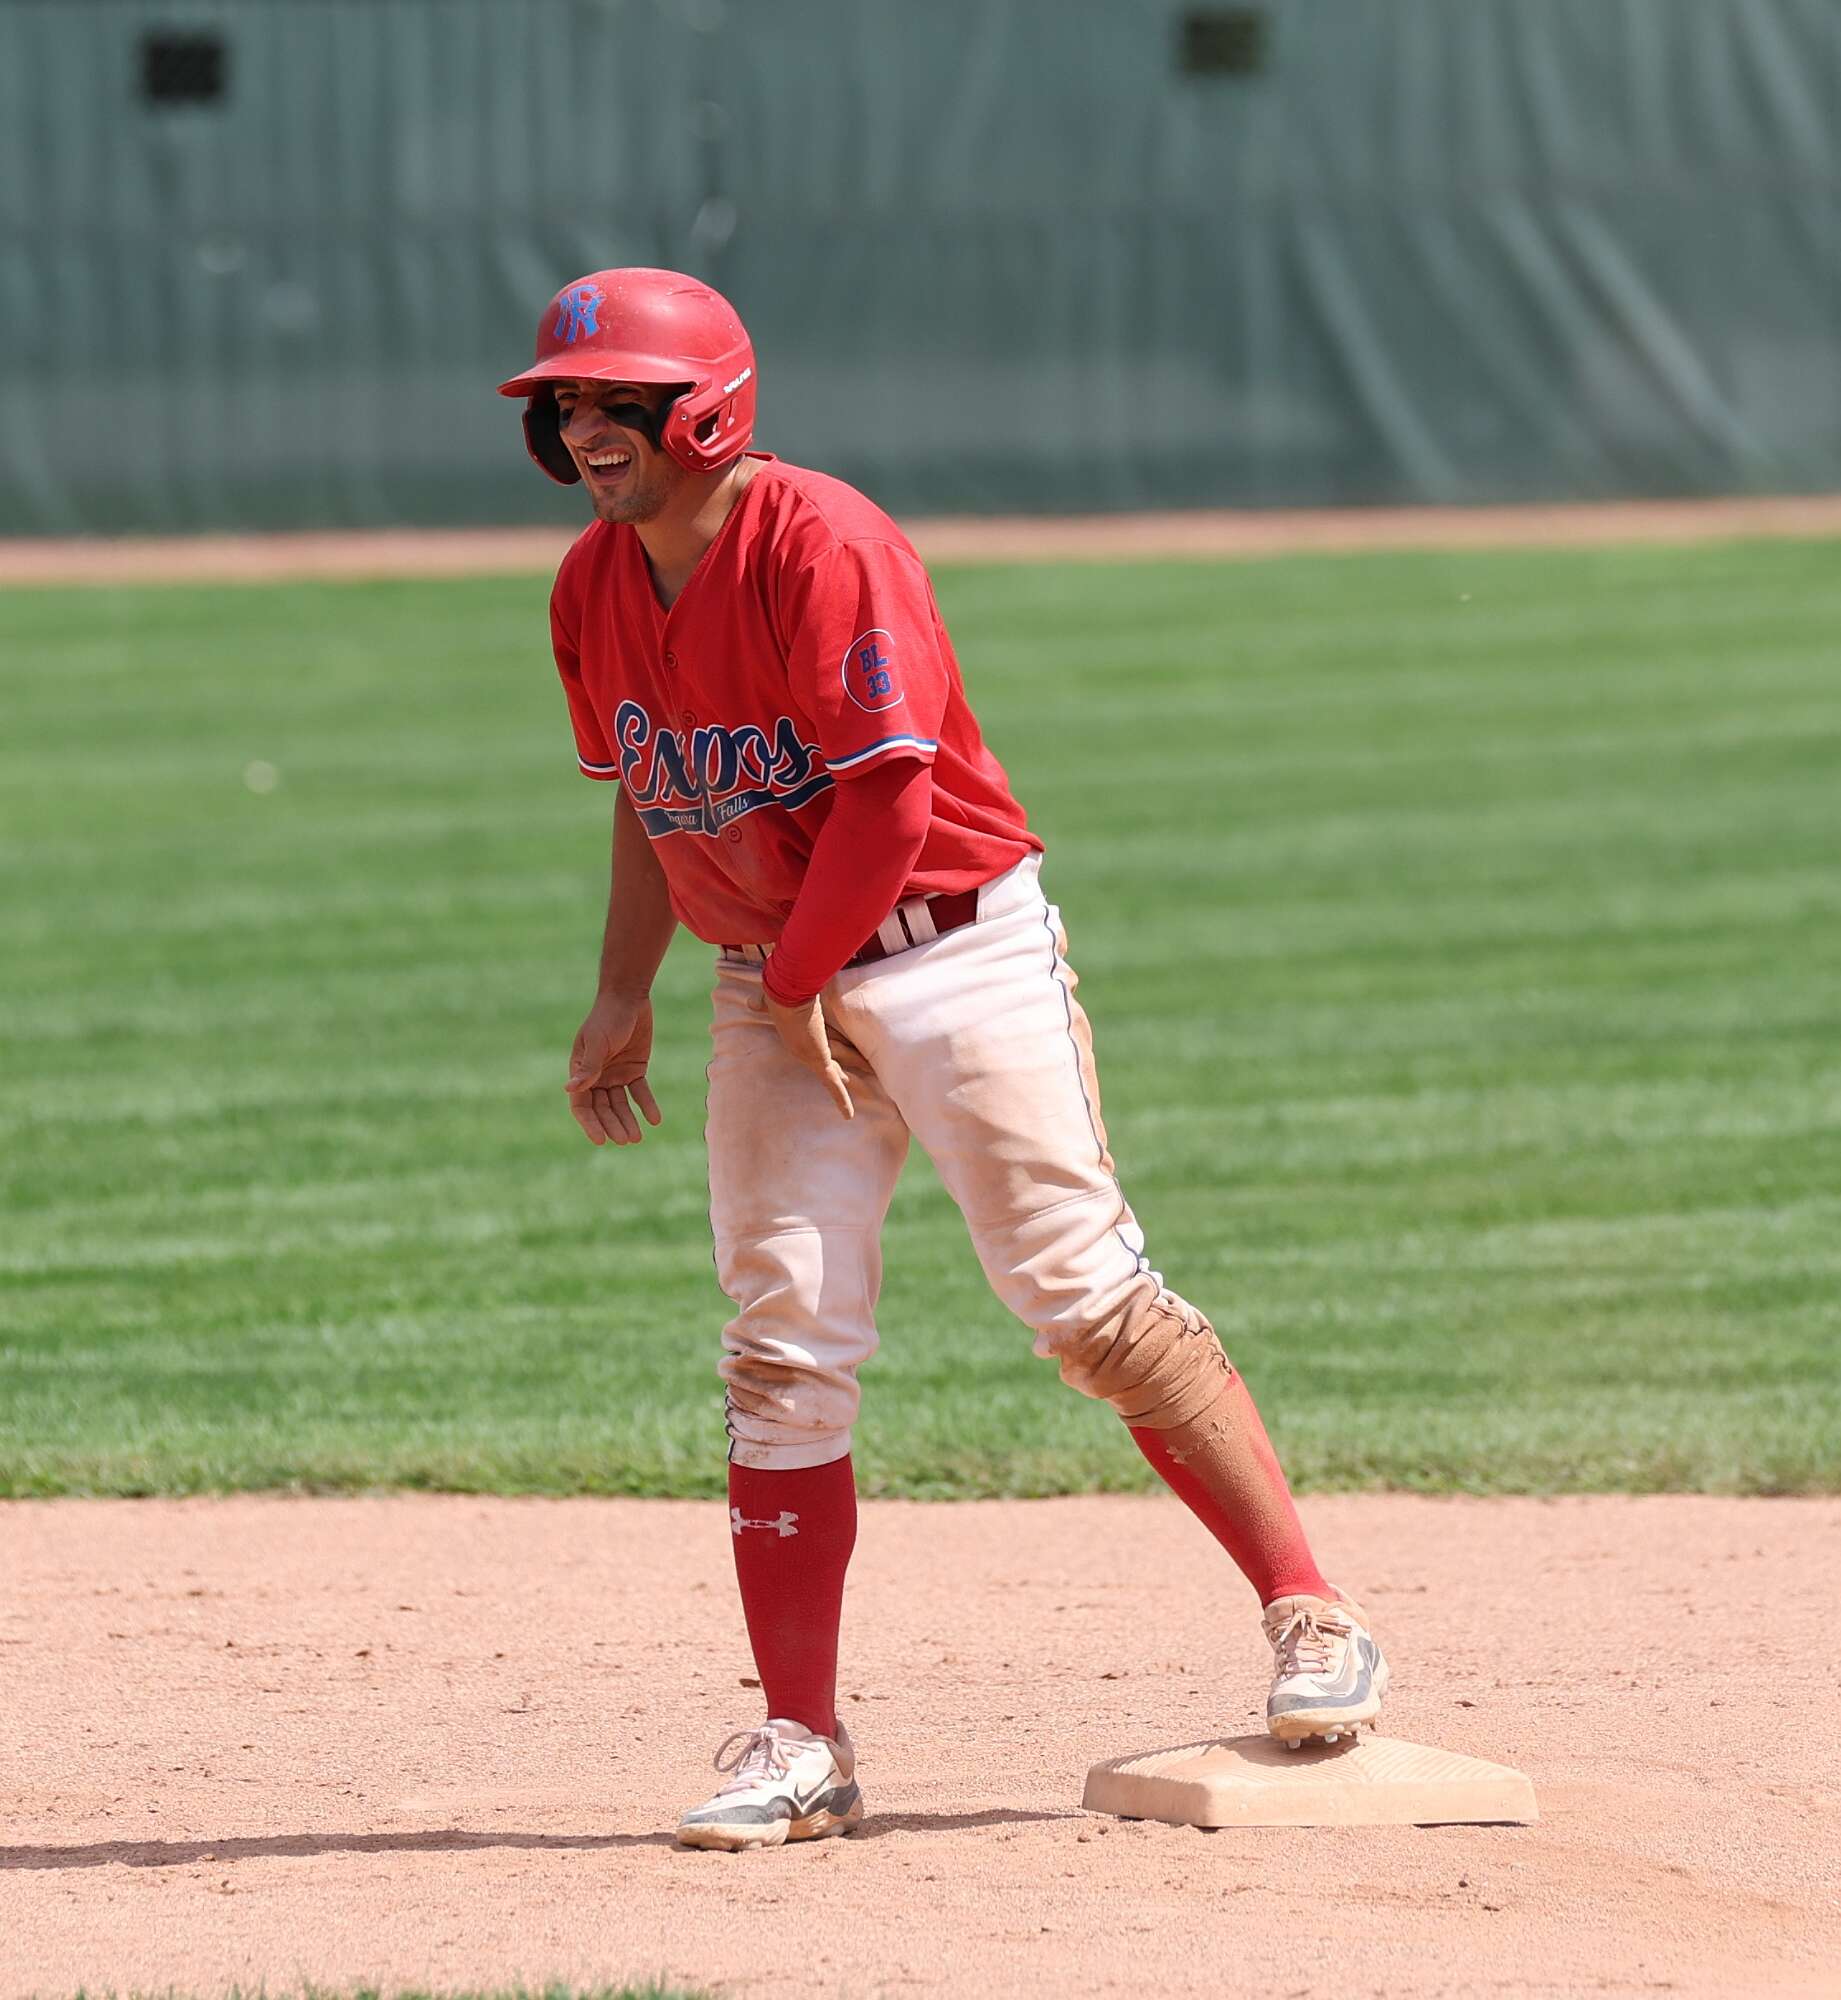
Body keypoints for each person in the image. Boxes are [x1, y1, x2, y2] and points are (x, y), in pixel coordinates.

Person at [496, 267, 1389, 1853]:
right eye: (565, 404)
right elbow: (645, 788)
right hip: (767, 977)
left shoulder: (823, 542)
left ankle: (1310, 1613)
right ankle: (801, 1739)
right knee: (780, 1343)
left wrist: (799, 979)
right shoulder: (592, 585)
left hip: (950, 952)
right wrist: (621, 991)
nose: (582, 426)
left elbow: (888, 800)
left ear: (705, 412)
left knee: (1083, 1299)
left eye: (616, 399)